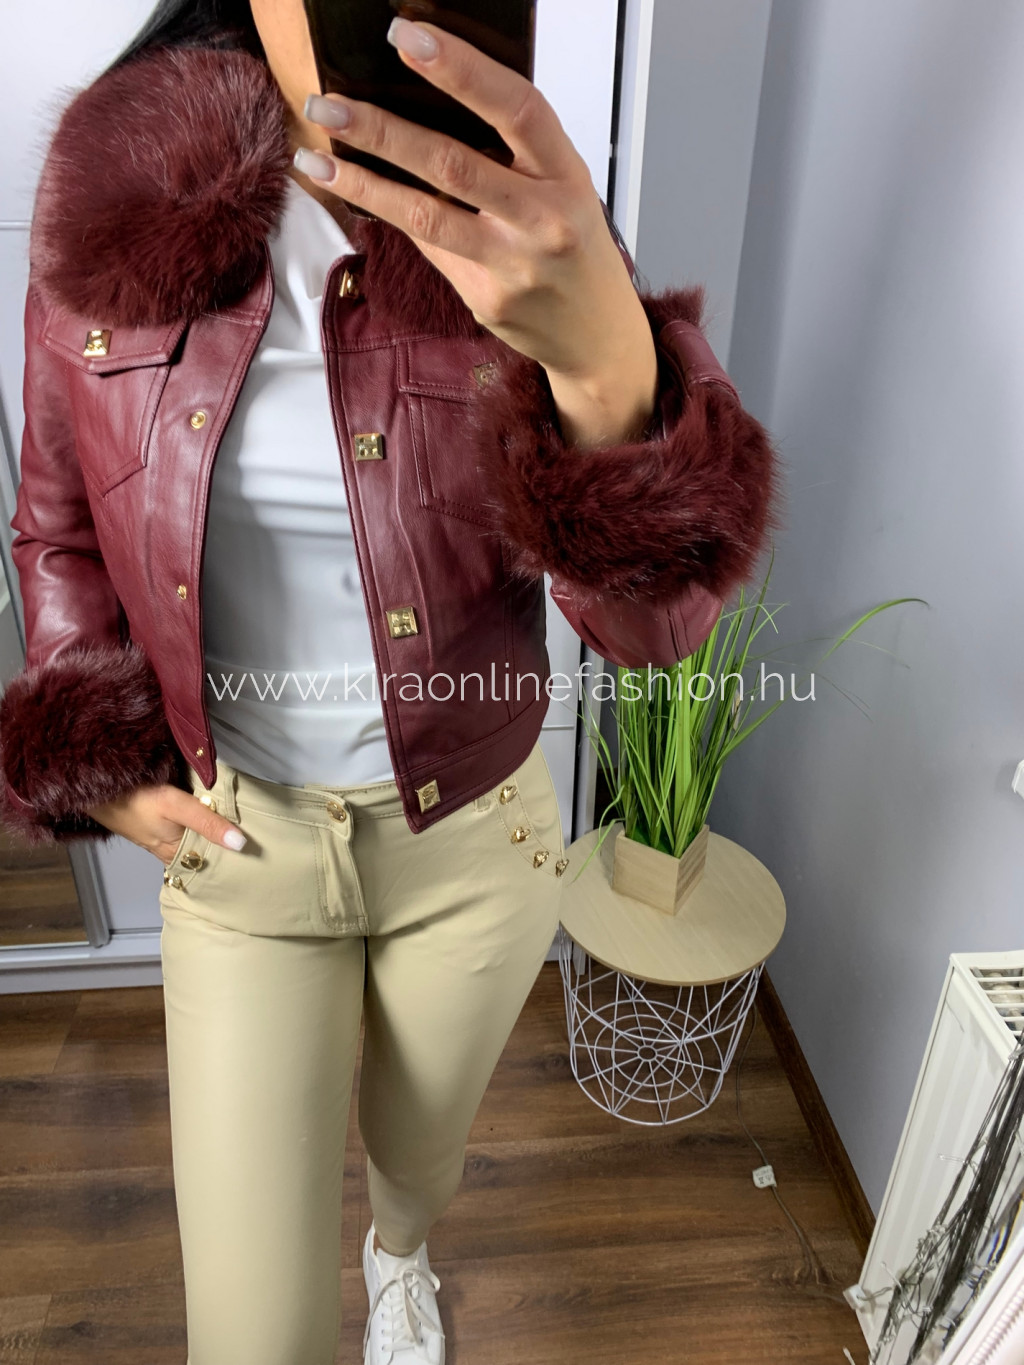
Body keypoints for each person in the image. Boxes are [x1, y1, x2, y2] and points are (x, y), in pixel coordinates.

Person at [0, 2, 779, 1362]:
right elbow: (57, 523)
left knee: (421, 1153)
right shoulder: (114, 203)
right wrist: (92, 750)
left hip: (478, 838)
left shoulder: (524, 224)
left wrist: (608, 371)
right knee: (253, 1335)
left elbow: (655, 635)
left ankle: (401, 1257)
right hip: (242, 851)